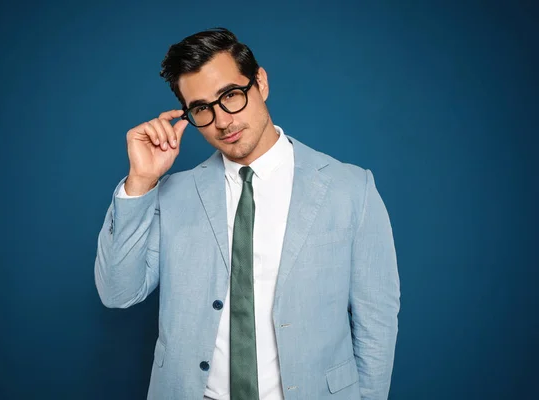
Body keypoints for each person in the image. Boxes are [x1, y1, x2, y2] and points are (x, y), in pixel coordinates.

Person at [95, 27, 400, 400]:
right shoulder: (172, 194)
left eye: (231, 96)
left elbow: (377, 324)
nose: (222, 121)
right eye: (202, 109)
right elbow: (117, 292)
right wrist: (140, 181)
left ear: (261, 83)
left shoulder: (351, 189)